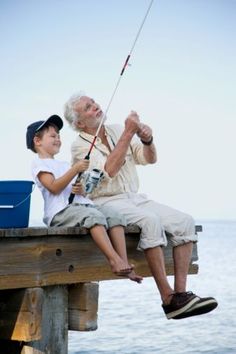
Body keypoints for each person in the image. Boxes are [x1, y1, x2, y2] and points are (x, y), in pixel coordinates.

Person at [64, 93, 218, 320]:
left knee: (185, 221)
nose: (96, 106)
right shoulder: (79, 147)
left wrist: (148, 140)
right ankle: (168, 298)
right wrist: (129, 132)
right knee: (150, 221)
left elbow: (148, 158)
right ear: (79, 123)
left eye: (94, 102)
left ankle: (181, 294)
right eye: (88, 107)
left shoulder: (116, 129)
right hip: (104, 201)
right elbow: (108, 170)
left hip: (133, 197)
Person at [26, 115, 142, 283]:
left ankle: (123, 261)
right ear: (37, 141)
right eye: (53, 136)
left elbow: (78, 191)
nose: (58, 138)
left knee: (114, 215)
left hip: (80, 207)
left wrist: (80, 189)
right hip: (60, 213)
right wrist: (75, 169)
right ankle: (113, 260)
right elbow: (54, 187)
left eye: (59, 135)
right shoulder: (39, 164)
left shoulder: (64, 165)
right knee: (95, 218)